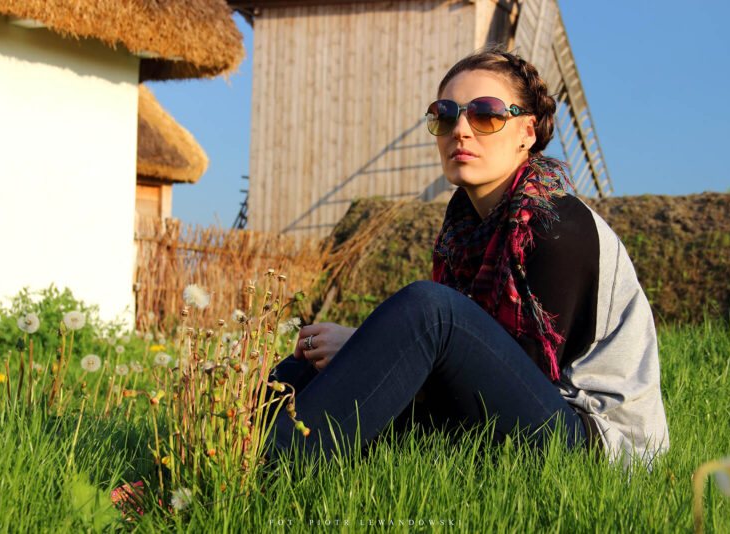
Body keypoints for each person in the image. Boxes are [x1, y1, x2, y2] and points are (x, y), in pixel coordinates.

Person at [267, 46, 669, 467]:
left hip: (592, 445)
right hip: (517, 421)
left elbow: (514, 374)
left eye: (486, 114)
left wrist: (361, 348)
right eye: (445, 115)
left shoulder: (557, 225)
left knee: (430, 311)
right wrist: (361, 356)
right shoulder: (465, 227)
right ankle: (236, 444)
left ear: (527, 132)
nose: (460, 130)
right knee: (315, 365)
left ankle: (276, 470)